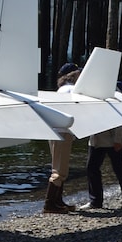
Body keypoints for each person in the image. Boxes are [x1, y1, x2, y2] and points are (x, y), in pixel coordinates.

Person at [81, 82, 122, 211]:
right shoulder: (91, 90)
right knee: (91, 168)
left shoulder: (114, 91)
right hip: (96, 139)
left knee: (119, 169)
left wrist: (119, 140)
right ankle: (95, 201)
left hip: (112, 140)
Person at [44, 63, 80, 213]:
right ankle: (49, 205)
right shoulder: (70, 90)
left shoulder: (62, 90)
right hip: (63, 132)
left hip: (57, 131)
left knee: (59, 168)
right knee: (59, 171)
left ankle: (58, 201)